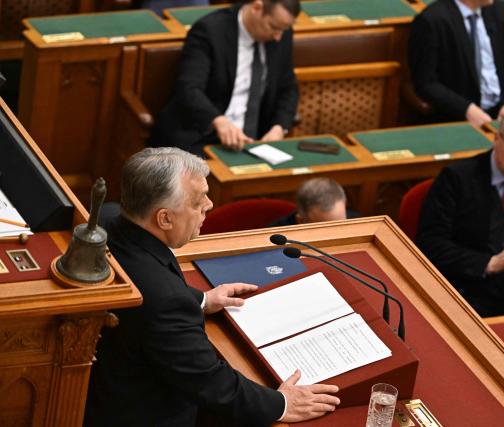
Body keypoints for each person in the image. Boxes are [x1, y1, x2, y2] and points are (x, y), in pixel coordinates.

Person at [84, 147, 340, 426]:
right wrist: (281, 404)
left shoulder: (108, 221)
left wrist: (202, 300)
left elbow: (148, 292)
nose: (209, 205)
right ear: (165, 218)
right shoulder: (166, 302)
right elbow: (212, 382)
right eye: (197, 201)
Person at [416, 108, 504, 317]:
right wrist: (487, 264)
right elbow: (430, 245)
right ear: (496, 139)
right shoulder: (457, 178)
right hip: (463, 291)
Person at [149, 0, 299, 154]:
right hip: (202, 137)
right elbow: (188, 88)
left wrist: (279, 127)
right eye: (273, 27)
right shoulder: (210, 30)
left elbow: (288, 87)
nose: (278, 37)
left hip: (255, 141)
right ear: (257, 7)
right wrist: (218, 121)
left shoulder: (281, 34)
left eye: (283, 30)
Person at [408, 0, 504, 127]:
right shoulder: (431, 20)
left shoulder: (498, 10)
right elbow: (425, 83)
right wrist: (467, 109)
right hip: (459, 116)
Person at [270, 177, 355, 226]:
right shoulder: (277, 238)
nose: (336, 233)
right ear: (301, 220)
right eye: (324, 228)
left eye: (341, 224)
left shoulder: (357, 222)